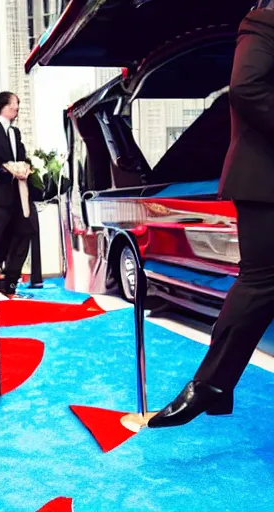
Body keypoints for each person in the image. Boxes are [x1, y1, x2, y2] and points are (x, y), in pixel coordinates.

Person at [148, 0, 274, 428]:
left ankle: (212, 386)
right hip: (266, 181)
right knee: (260, 281)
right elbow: (247, 88)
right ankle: (209, 385)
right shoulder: (264, 18)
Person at [0, 91, 40, 295]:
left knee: (25, 233)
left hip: (19, 196)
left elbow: (21, 157)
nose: (18, 108)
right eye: (15, 104)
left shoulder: (16, 133)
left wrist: (25, 168)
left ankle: (12, 282)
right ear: (5, 106)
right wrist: (6, 169)